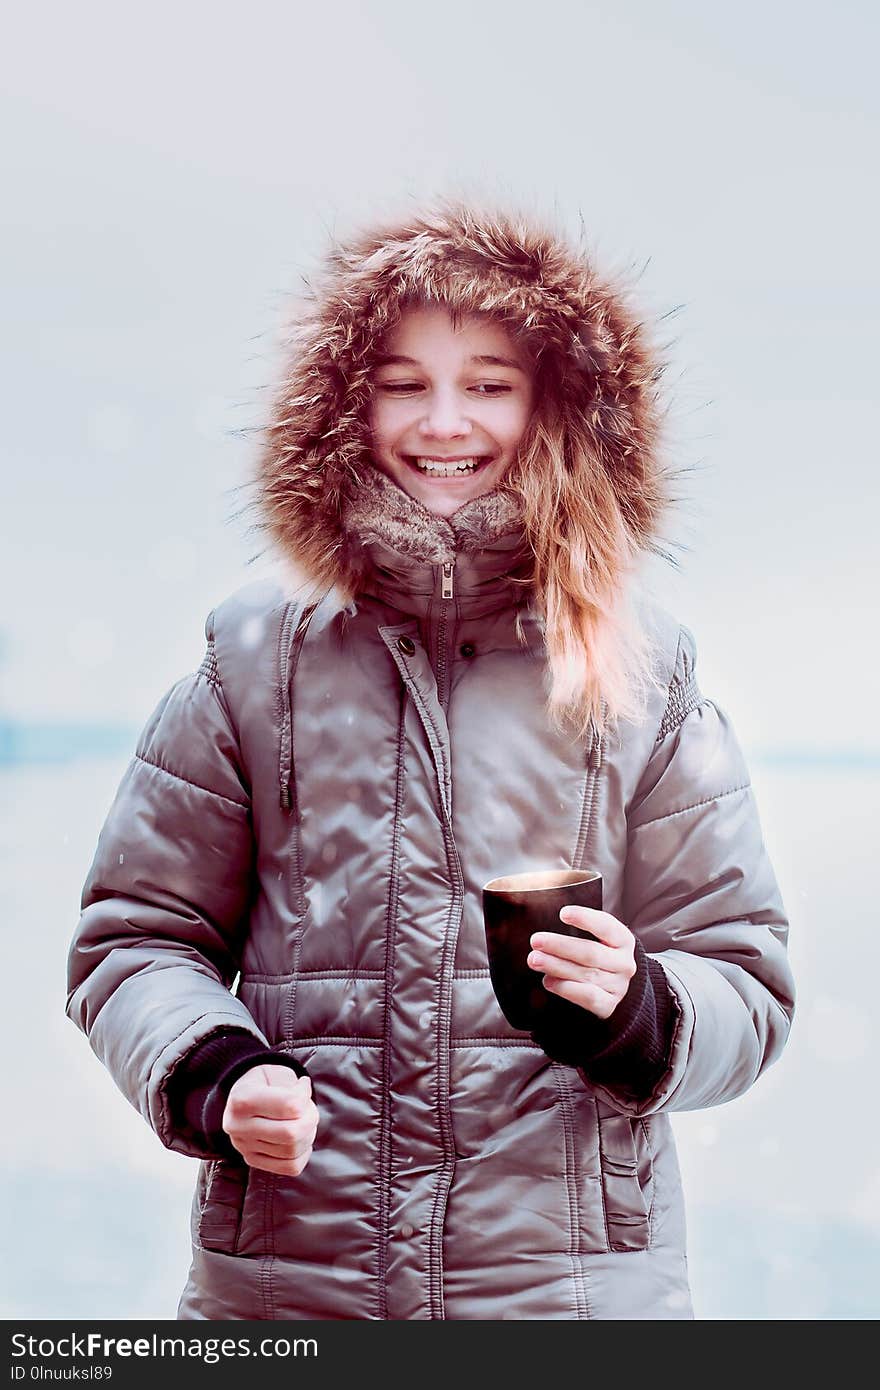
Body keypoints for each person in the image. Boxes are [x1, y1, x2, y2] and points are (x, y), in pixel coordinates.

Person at [65, 197, 795, 1321]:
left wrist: (641, 1006)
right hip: (291, 1288)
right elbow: (136, 936)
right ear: (344, 407)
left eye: (489, 384)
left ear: (555, 406)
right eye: (404, 383)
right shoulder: (252, 663)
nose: (443, 421)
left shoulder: (644, 673)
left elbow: (742, 973)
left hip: (571, 1294)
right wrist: (216, 1071)